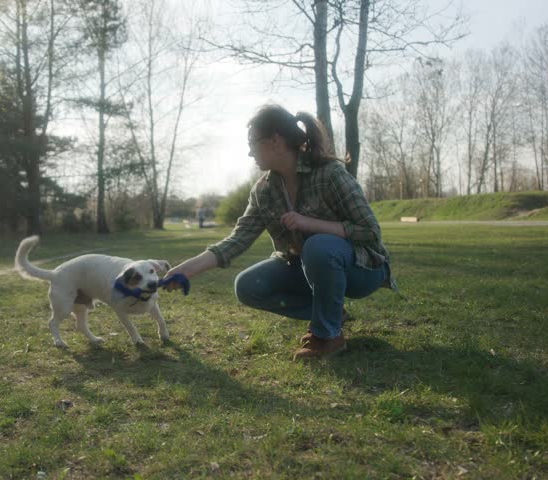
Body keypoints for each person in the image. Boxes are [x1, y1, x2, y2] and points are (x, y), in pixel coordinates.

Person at [164, 104, 396, 360]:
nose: (250, 152)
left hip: (362, 269)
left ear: (275, 140)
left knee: (318, 246)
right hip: (307, 268)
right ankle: (331, 314)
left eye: (252, 143)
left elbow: (370, 231)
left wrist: (310, 223)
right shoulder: (263, 191)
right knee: (248, 286)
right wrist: (186, 270)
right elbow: (237, 239)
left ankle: (328, 336)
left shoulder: (329, 174)